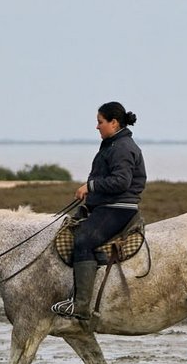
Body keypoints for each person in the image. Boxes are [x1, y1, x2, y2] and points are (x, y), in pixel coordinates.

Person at [52, 101, 145, 321]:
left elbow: (121, 182)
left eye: (100, 122)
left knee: (83, 241)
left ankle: (82, 306)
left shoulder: (121, 147)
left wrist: (90, 187)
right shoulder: (113, 143)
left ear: (114, 123)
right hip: (106, 205)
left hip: (119, 208)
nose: (97, 127)